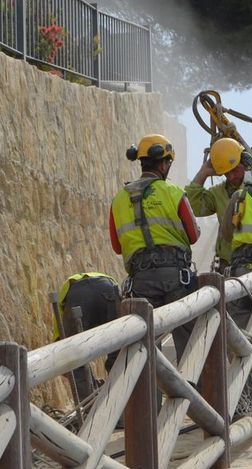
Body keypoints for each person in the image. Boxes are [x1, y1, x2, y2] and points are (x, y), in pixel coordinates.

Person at [110, 134, 200, 358]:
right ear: (163, 163)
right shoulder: (173, 192)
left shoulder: (118, 200)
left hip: (140, 281)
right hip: (176, 278)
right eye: (168, 162)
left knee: (146, 348)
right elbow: (194, 235)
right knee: (190, 342)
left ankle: (153, 382)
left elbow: (117, 247)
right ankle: (191, 380)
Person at [52, 272, 121, 404]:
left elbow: (62, 348)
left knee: (73, 358)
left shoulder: (62, 308)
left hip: (78, 296)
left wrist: (88, 384)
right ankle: (120, 403)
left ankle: (90, 408)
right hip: (107, 288)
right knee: (119, 353)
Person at [185, 137, 252, 270]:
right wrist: (203, 173)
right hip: (226, 265)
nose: (231, 176)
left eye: (235, 170)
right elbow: (192, 207)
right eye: (226, 173)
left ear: (245, 163)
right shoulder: (218, 193)